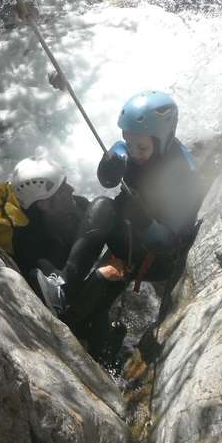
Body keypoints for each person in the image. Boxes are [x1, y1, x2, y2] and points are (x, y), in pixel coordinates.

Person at [35, 90, 201, 318]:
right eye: (128, 141)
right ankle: (64, 286)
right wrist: (108, 167)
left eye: (141, 148)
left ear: (161, 140)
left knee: (99, 281)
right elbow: (108, 176)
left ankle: (76, 313)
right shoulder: (130, 148)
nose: (133, 152)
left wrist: (144, 221)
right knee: (100, 206)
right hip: (129, 232)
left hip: (153, 255)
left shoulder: (183, 175)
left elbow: (169, 243)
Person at [8, 153, 90, 314]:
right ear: (44, 204)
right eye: (62, 188)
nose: (71, 189)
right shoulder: (30, 243)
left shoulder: (80, 205)